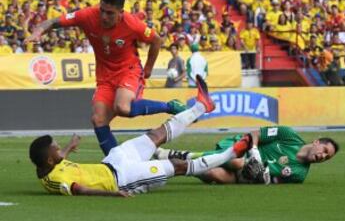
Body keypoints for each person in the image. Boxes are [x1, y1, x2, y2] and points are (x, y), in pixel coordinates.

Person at [24, 0, 187, 156]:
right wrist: (38, 32)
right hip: (105, 77)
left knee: (122, 107)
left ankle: (169, 106)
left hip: (128, 70)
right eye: (102, 10)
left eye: (110, 13)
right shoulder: (87, 15)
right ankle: (117, 162)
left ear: (120, 13)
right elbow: (53, 22)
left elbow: (157, 40)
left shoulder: (132, 24)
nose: (103, 16)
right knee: (98, 119)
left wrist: (148, 68)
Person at [29, 76, 252, 196]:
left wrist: (67, 147)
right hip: (123, 179)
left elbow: (59, 161)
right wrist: (114, 194)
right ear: (49, 159)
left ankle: (202, 106)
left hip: (113, 160)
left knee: (155, 136)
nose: (60, 150)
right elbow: (79, 189)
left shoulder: (49, 163)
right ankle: (233, 152)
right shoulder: (56, 180)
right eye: (57, 149)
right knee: (177, 165)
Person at [155, 126, 339, 184]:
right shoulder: (288, 135)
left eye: (327, 157)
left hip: (248, 176)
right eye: (324, 150)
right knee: (236, 161)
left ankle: (172, 166)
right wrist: (255, 153)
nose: (323, 156)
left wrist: (264, 177)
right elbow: (254, 134)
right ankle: (183, 155)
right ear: (316, 142)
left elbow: (272, 182)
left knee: (213, 174)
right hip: (242, 148)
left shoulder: (299, 174)